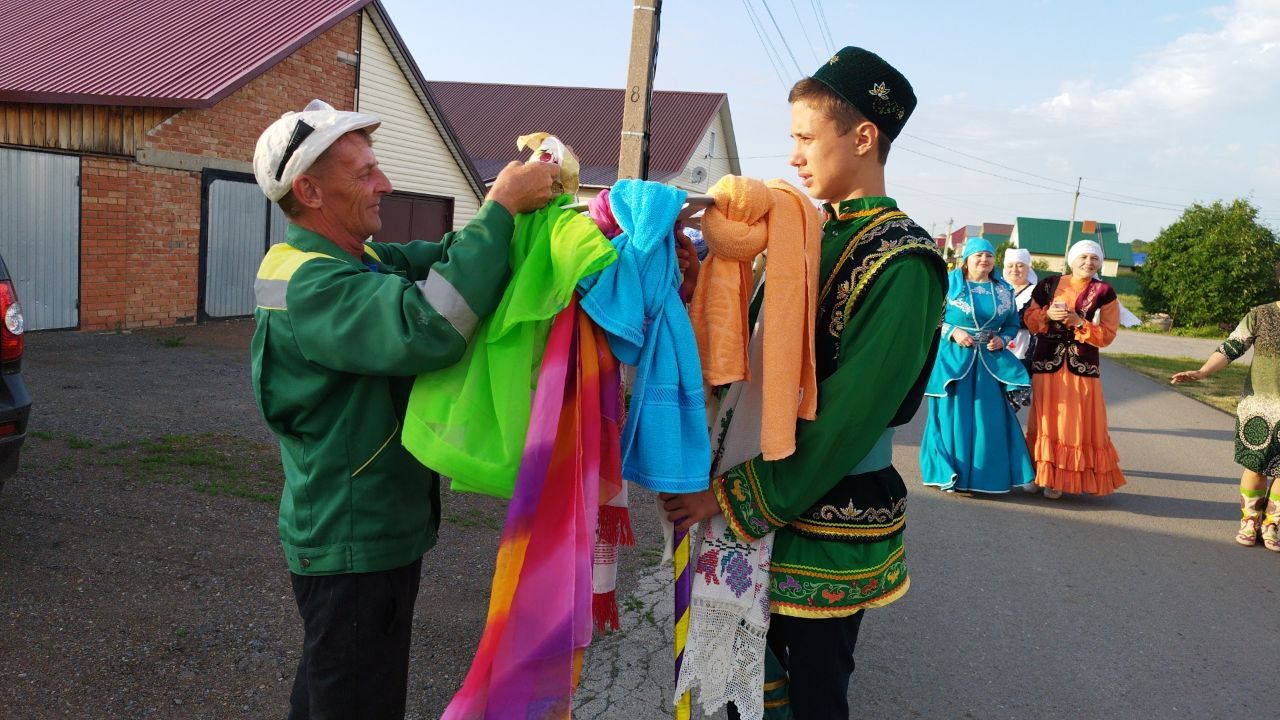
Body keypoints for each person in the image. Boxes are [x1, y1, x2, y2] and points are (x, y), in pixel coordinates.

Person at [660, 47, 946, 719]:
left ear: (864, 136)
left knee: (811, 698)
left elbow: (850, 416)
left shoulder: (906, 261)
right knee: (737, 690)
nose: (793, 156)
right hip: (759, 501)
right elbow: (759, 354)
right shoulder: (806, 235)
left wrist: (726, 498)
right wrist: (697, 287)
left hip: (824, 520)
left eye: (805, 137)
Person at [249, 99, 556, 719]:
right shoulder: (315, 284)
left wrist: (517, 224)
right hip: (353, 536)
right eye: (363, 173)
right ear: (309, 190)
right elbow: (432, 324)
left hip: (358, 529)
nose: (383, 183)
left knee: (331, 687)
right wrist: (498, 206)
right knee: (358, 699)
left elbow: (443, 258)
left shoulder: (349, 262)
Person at [919, 238, 1035, 494]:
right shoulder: (949, 284)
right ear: (967, 259)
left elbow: (1013, 324)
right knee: (952, 416)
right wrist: (953, 331)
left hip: (989, 364)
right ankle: (949, 473)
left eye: (989, 256)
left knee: (988, 419)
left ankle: (985, 477)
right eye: (978, 255)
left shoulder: (1003, 290)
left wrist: (1002, 339)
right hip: (954, 362)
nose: (984, 260)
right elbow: (929, 314)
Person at [1172, 290, 1280, 550]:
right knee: (1256, 466)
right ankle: (1251, 520)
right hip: (1261, 406)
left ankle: (1273, 523)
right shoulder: (1262, 314)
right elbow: (1232, 346)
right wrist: (1203, 371)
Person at [1022, 240, 1126, 499]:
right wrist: (1048, 316)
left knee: (1072, 422)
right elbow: (1029, 319)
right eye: (1083, 257)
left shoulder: (1105, 291)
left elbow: (1108, 335)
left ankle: (1058, 479)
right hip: (1047, 363)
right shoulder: (1048, 284)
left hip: (1082, 366)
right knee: (1044, 419)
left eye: (1093, 259)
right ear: (1072, 259)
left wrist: (1080, 322)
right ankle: (1038, 472)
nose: (1088, 263)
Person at [1002, 247, 1038, 364]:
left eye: (1020, 265)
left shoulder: (1036, 292)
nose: (1015, 269)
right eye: (1010, 265)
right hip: (995, 347)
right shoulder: (997, 289)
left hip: (1022, 349)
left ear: (1028, 268)